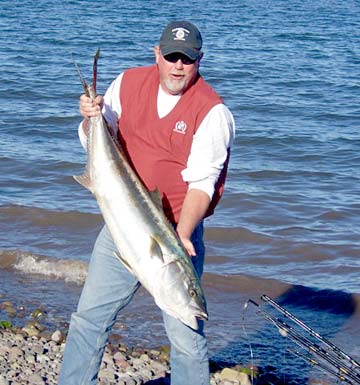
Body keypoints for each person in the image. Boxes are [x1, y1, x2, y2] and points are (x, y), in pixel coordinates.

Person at [58, 20, 235, 385]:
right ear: (157, 54)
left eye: (186, 59)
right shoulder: (127, 82)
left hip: (176, 231)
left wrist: (183, 235)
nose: (177, 66)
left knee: (186, 334)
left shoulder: (213, 113)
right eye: (171, 56)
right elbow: (96, 139)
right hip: (123, 222)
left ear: (199, 60)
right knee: (89, 317)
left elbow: (203, 184)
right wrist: (90, 119)